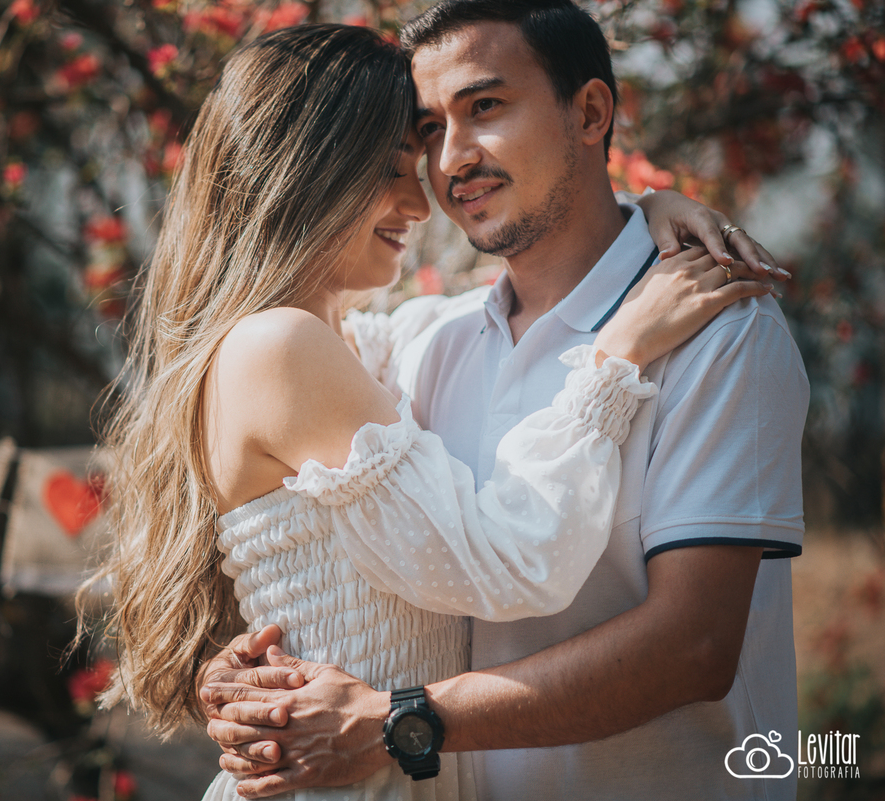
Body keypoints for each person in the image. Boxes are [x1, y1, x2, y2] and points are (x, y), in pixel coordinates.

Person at [83, 17, 786, 801]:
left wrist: (652, 210)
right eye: (425, 136)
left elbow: (696, 645)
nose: (439, 174)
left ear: (590, 113)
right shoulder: (404, 348)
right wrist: (616, 353)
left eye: (485, 107)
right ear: (307, 174)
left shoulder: (712, 328)